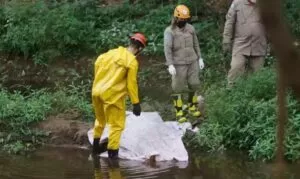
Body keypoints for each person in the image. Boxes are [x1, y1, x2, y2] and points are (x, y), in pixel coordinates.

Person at [91, 32, 147, 159]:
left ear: (130, 43)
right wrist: (136, 103)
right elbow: (131, 84)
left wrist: (99, 83)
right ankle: (113, 158)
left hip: (96, 92)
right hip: (112, 96)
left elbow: (97, 64)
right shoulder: (131, 61)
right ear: (139, 49)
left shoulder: (110, 53)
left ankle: (94, 151)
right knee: (116, 126)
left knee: (100, 121)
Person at [164, 4, 205, 123]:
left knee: (194, 84)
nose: (183, 21)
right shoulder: (169, 31)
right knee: (178, 88)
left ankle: (192, 106)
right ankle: (179, 110)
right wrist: (170, 64)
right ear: (176, 18)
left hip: (192, 61)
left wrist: (200, 58)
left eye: (185, 19)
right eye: (181, 19)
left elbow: (196, 44)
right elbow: (167, 49)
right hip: (178, 64)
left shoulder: (190, 28)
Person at [223, 0, 268, 87]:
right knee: (236, 67)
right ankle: (231, 91)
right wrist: (226, 40)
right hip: (241, 43)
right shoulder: (237, 3)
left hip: (259, 44)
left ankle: (253, 96)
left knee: (257, 73)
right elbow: (229, 22)